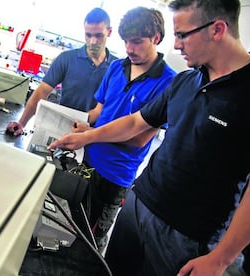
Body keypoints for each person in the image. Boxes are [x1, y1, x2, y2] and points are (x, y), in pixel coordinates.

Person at [48, 0, 250, 275]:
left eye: (182, 35)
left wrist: (221, 258)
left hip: (186, 237)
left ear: (216, 29)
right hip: (138, 206)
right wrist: (86, 137)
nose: (176, 45)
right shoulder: (185, 81)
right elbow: (135, 122)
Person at [71, 6, 176, 253]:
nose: (129, 49)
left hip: (115, 175)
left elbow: (139, 139)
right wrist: (75, 120)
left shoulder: (168, 83)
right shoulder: (117, 66)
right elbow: (100, 110)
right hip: (86, 159)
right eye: (126, 42)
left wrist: (91, 134)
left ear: (156, 38)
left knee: (92, 241)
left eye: (137, 42)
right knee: (71, 224)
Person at [6, 7, 116, 136]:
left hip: (95, 137)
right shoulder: (66, 59)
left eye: (99, 35)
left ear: (109, 32)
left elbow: (108, 109)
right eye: (88, 35)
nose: (93, 41)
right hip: (63, 131)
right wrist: (22, 123)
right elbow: (42, 91)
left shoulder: (116, 68)